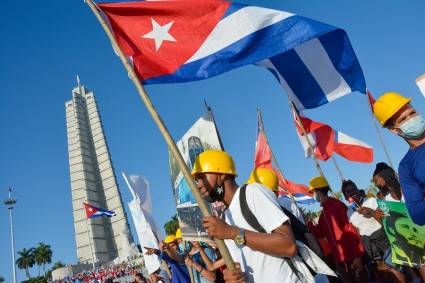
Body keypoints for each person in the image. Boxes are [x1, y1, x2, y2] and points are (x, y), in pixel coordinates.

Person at [191, 150, 299, 283]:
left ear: (222, 175)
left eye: (202, 177)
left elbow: (288, 246)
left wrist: (232, 232)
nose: (199, 185)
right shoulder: (225, 218)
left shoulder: (252, 192)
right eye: (196, 180)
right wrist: (232, 277)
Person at [373, 92, 425, 225]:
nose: (411, 119)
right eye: (403, 119)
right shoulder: (405, 166)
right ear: (394, 130)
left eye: (412, 113)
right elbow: (417, 215)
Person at [341, 180, 406, 283]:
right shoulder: (349, 212)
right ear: (345, 197)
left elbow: (386, 221)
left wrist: (370, 212)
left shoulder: (371, 201)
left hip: (383, 239)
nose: (352, 192)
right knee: (382, 273)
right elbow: (357, 231)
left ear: (358, 190)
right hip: (368, 245)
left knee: (394, 269)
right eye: (348, 191)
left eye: (353, 189)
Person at [309, 176, 367, 283]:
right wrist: (309, 224)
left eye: (313, 192)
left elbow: (350, 230)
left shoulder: (337, 205)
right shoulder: (323, 214)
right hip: (340, 261)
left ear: (319, 192)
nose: (313, 195)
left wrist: (358, 256)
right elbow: (320, 234)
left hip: (352, 258)